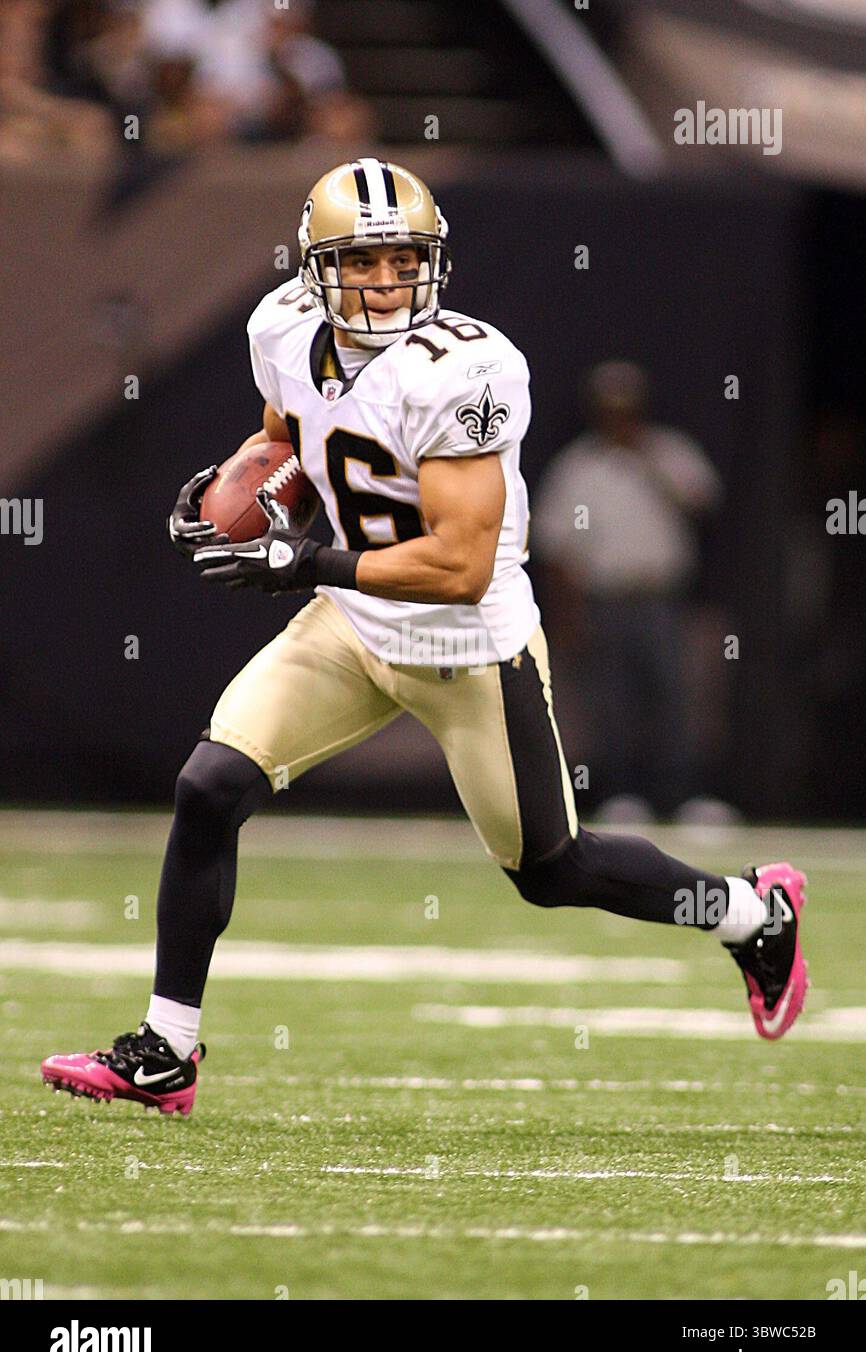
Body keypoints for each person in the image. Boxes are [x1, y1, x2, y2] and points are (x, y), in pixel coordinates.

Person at [41, 159, 809, 1115]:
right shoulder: (280, 326)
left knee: (552, 870)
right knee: (209, 789)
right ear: (319, 267)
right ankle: (167, 1050)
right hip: (352, 627)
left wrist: (301, 563)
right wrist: (228, 488)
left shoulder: (467, 369)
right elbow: (283, 435)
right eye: (362, 263)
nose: (386, 282)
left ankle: (751, 912)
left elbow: (460, 565)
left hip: (467, 648)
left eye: (405, 260)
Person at [533, 361, 723, 819]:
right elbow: (558, 549)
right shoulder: (578, 467)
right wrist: (567, 616)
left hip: (661, 597)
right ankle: (621, 796)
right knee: (610, 703)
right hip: (605, 600)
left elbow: (702, 504)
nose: (619, 418)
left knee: (674, 698)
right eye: (609, 409)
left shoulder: (671, 452)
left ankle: (683, 797)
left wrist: (646, 462)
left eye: (627, 408)